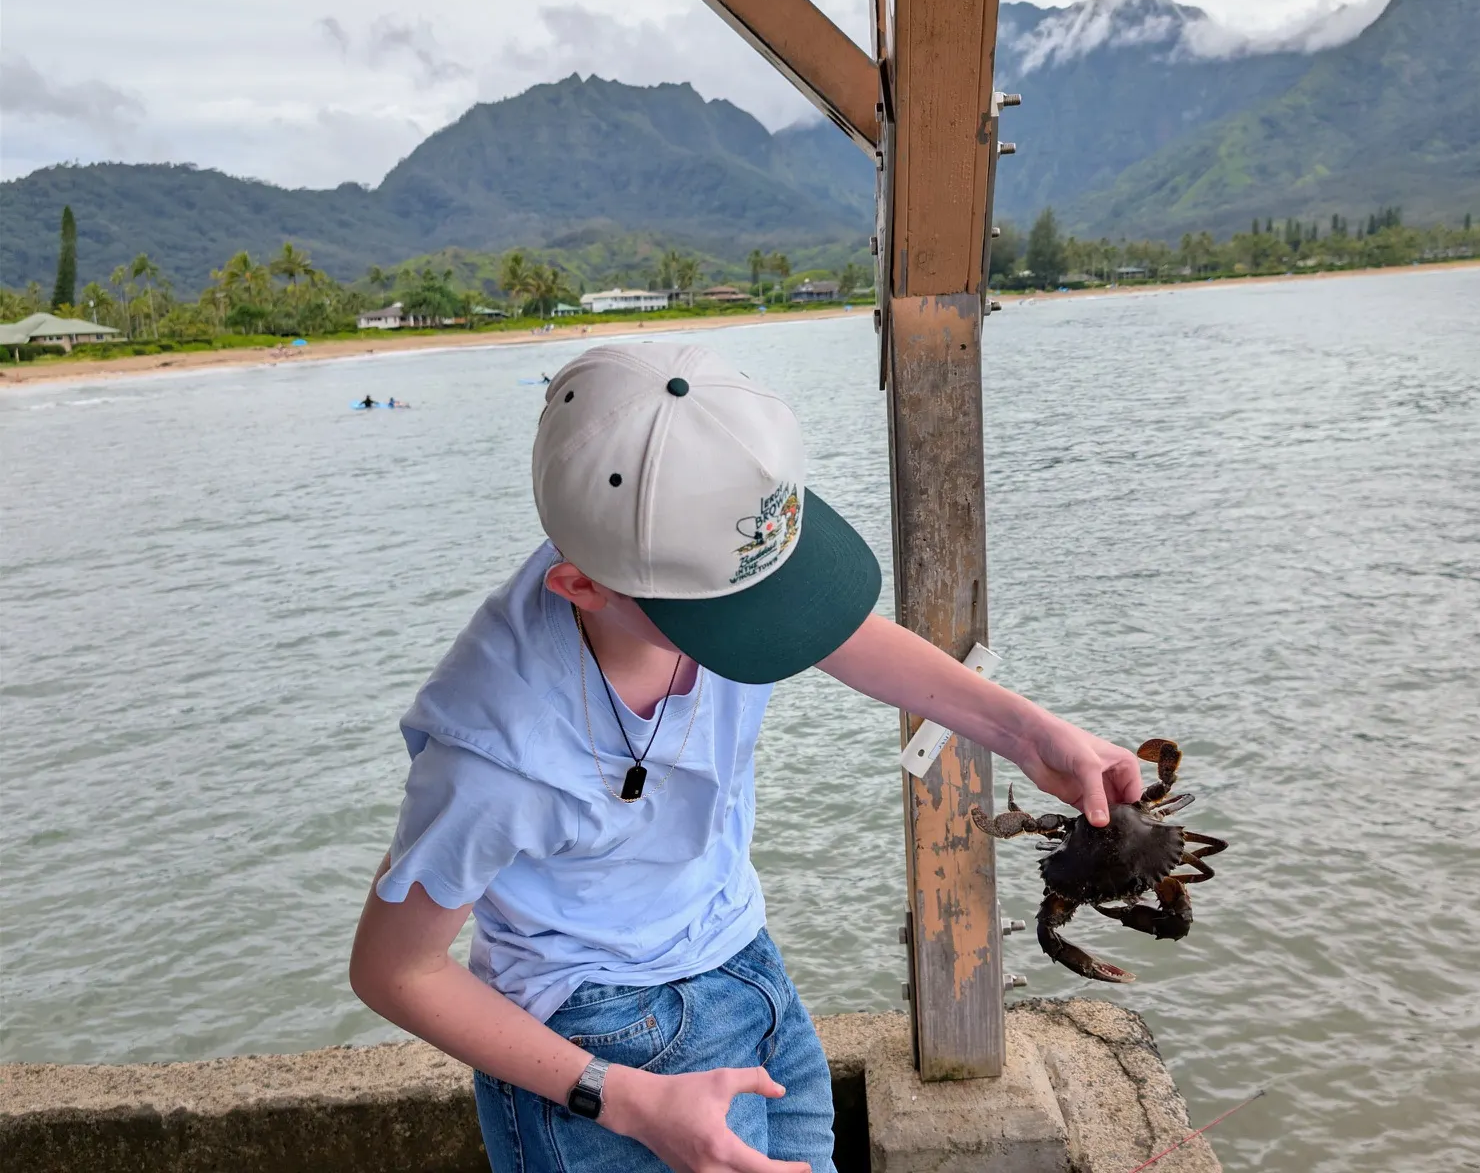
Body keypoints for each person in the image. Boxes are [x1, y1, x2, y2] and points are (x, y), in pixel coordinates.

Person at [349, 343, 1142, 1173]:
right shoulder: (493, 757)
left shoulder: (698, 552)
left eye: (776, 593)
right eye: (729, 615)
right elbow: (393, 969)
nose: (772, 631)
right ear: (580, 586)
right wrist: (624, 1099)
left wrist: (1030, 734)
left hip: (743, 959)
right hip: (591, 1034)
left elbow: (845, 638)